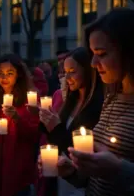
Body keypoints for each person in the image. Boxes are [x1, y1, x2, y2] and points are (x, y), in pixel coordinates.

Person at [59, 8, 134, 196]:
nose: (92, 63)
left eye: (101, 53)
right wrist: (73, 172)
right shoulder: (112, 97)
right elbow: (97, 178)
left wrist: (119, 169)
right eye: (92, 53)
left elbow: (117, 172)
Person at [39, 47, 104, 196]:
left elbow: (82, 153)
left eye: (72, 71)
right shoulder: (70, 101)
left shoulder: (98, 107)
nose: (67, 78)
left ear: (88, 71)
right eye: (65, 71)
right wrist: (44, 122)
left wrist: (56, 128)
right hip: (63, 178)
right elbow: (56, 137)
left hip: (83, 184)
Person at [0, 54, 41, 196]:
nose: (4, 78)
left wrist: (17, 118)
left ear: (19, 75)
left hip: (17, 165)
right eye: (0, 74)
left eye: (10, 73)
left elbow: (35, 134)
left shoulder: (29, 99)